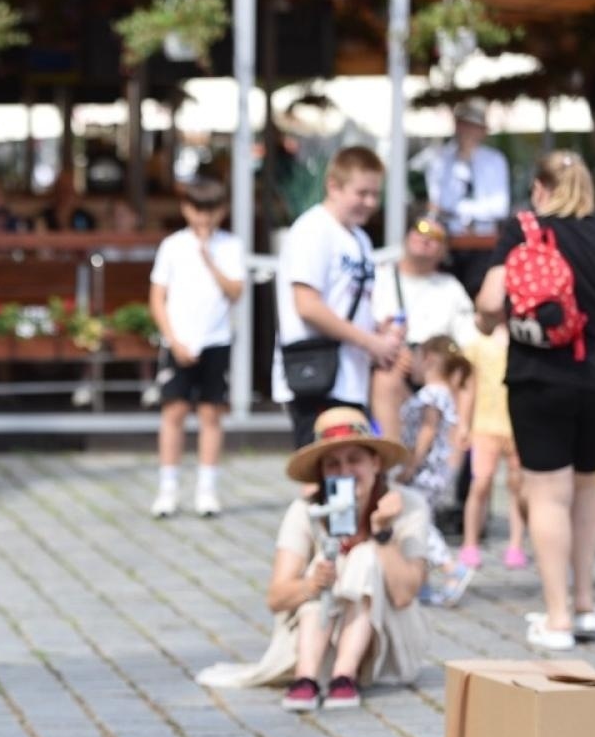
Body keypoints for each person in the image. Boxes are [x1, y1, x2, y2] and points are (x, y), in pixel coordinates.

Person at [475, 149, 595, 650]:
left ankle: (557, 619)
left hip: (543, 375)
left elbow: (490, 302)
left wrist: (488, 323)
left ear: (539, 189)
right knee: (585, 484)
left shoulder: (524, 229)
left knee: (547, 492)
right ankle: (586, 606)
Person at [194, 408, 428, 710]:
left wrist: (382, 533)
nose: (344, 472)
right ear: (321, 474)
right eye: (333, 464)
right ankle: (306, 677)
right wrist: (312, 584)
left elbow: (405, 593)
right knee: (321, 567)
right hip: (319, 642)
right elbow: (277, 597)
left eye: (354, 460)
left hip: (387, 648)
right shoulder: (306, 510)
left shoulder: (408, 505)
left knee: (365, 556)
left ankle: (346, 674)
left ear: (375, 462)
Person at [274, 145, 399, 448]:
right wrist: (370, 342)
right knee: (321, 472)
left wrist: (386, 330)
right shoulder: (313, 230)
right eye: (362, 193)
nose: (370, 202)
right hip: (316, 372)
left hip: (350, 376)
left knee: (349, 472)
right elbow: (307, 305)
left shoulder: (360, 238)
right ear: (334, 186)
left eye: (375, 194)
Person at [148, 178, 244, 518]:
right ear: (186, 208)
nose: (203, 219)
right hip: (178, 342)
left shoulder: (231, 246)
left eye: (211, 211)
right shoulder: (172, 246)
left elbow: (235, 291)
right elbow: (157, 298)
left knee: (211, 414)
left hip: (216, 341)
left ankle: (207, 489)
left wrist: (209, 260)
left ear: (222, 211)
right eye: (197, 210)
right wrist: (174, 340)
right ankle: (168, 488)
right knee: (173, 413)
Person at [369, 213, 478, 441]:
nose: (425, 237)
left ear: (444, 250)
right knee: (385, 379)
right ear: (407, 235)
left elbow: (469, 351)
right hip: (390, 372)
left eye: (436, 235)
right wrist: (387, 350)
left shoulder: (450, 289)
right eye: (419, 228)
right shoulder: (378, 278)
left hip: (437, 383)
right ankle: (391, 461)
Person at [396, 336, 475, 606]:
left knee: (416, 520)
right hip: (434, 471)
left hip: (425, 471)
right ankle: (423, 582)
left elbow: (427, 431)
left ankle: (452, 567)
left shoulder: (432, 394)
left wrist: (411, 465)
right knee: (419, 519)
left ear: (427, 358)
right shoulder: (442, 393)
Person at [458, 323, 528, 570]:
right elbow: (469, 386)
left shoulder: (524, 339)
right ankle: (470, 543)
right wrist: (464, 422)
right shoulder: (479, 343)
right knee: (481, 482)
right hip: (485, 424)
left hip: (518, 424)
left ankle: (516, 544)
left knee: (518, 486)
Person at [422, 100, 510, 296]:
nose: (468, 132)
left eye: (474, 126)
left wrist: (457, 209)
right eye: (464, 125)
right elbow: (439, 202)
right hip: (448, 242)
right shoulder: (439, 159)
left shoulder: (494, 160)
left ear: (483, 130)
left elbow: (499, 207)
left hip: (484, 244)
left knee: (478, 292)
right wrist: (461, 162)